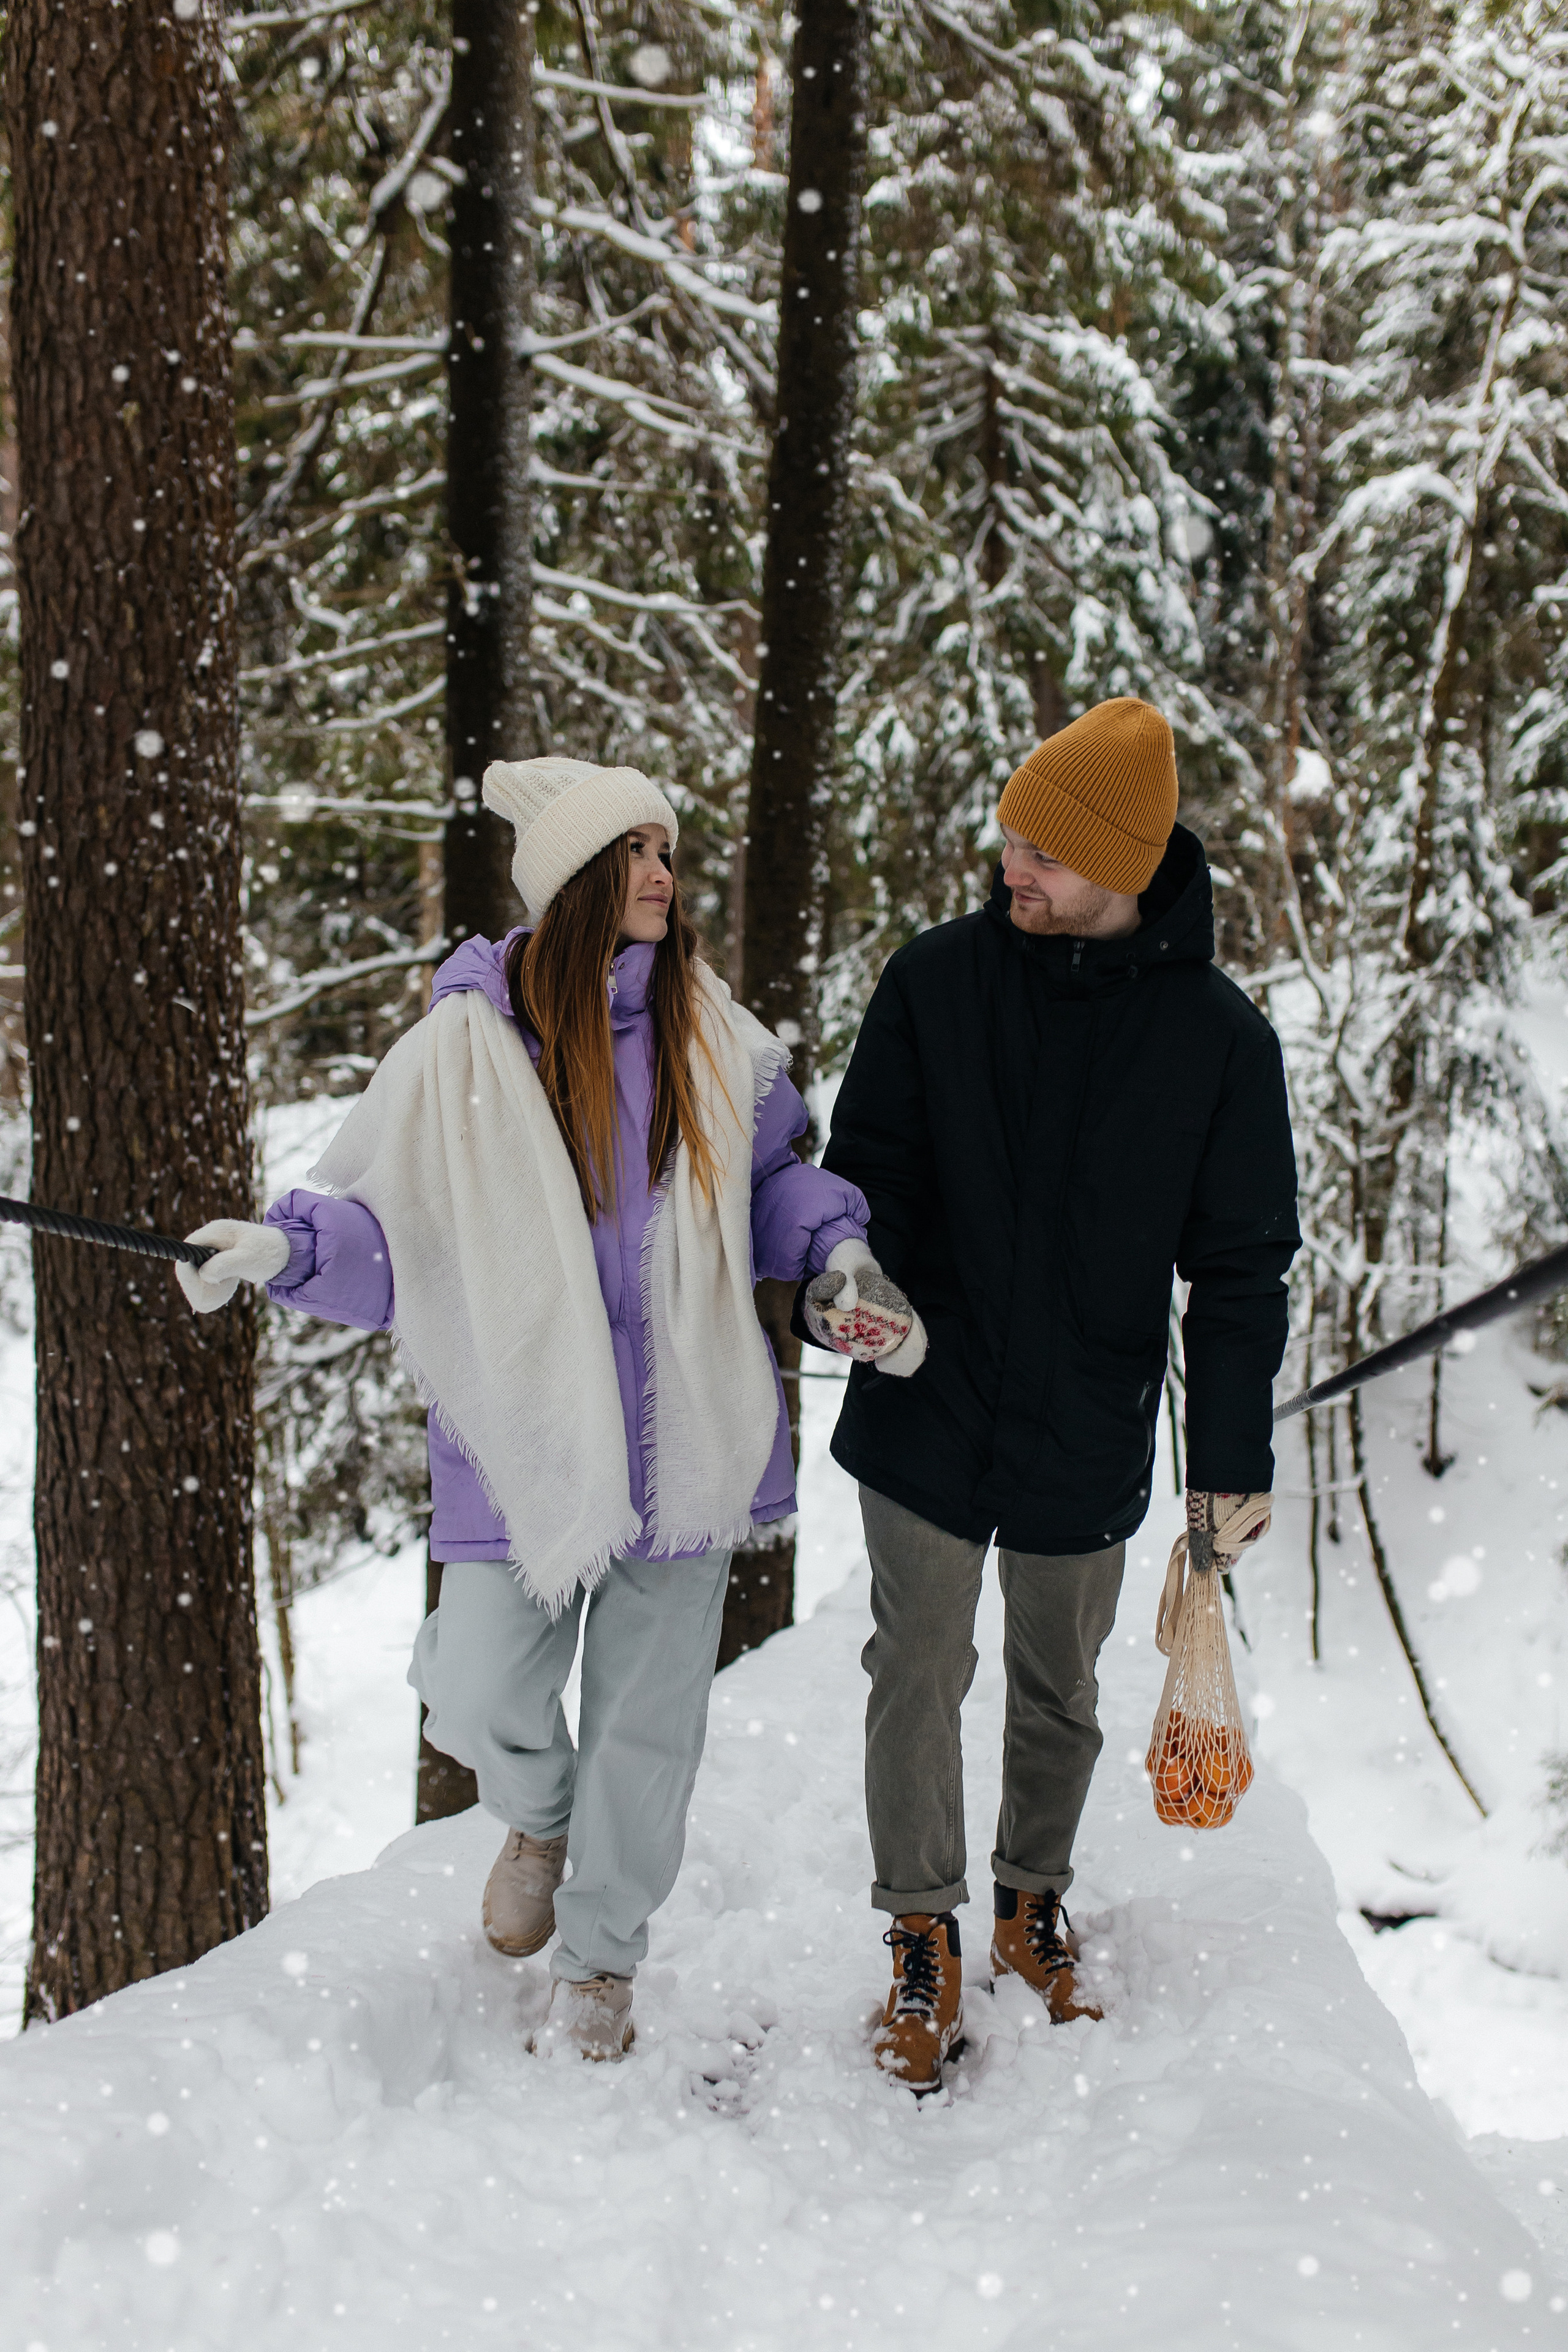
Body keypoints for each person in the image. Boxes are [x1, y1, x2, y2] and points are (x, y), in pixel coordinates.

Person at [174, 756, 923, 2062]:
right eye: (633, 852)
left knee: (647, 1727)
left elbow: (774, 1188)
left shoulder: (712, 1036)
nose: (661, 874)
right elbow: (399, 1238)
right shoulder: (462, 1053)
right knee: (475, 1684)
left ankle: (600, 1964)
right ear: (572, 879)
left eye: (666, 852)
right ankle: (538, 1815)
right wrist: (285, 1251)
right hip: (519, 1439)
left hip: (683, 1430)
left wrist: (837, 1255)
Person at [800, 697, 1300, 2094]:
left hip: (1088, 1410)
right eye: (1011, 838)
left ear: (1125, 868)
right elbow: (866, 1181)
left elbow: (1240, 1268)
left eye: (1045, 853)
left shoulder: (1218, 1042)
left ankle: (1030, 1902)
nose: (1011, 866)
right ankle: (921, 1934)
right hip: (929, 1394)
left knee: (1058, 1687)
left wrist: (1229, 1454)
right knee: (915, 1669)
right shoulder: (935, 982)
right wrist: (847, 1285)